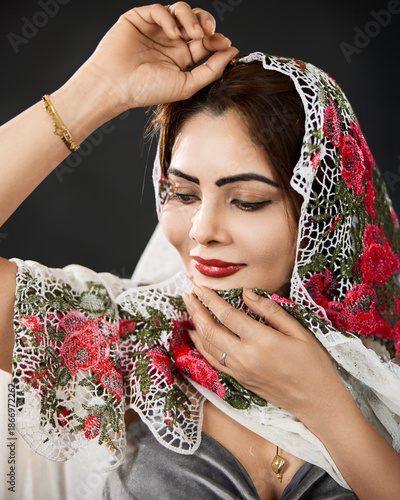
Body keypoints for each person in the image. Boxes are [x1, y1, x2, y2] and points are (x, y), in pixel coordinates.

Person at [0, 3, 399, 499]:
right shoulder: (133, 343)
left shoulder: (384, 361)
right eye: (183, 194)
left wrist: (326, 406)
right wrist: (97, 90)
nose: (202, 230)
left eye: (247, 201)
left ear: (323, 210)